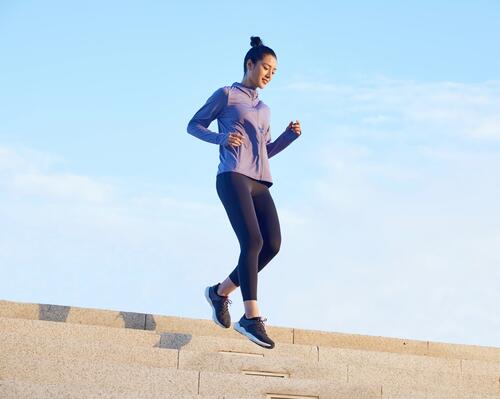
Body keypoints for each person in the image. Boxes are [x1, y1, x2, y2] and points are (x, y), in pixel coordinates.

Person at [186, 36, 302, 349]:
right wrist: (221, 138)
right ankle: (251, 316)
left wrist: (288, 138)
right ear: (249, 64)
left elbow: (264, 152)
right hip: (232, 176)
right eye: (266, 67)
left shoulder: (265, 109)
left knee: (272, 245)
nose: (269, 74)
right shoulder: (226, 94)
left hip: (259, 181)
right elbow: (194, 125)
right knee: (252, 240)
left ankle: (220, 292)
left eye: (274, 71)